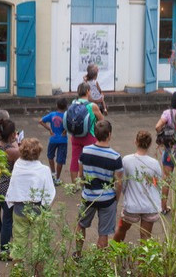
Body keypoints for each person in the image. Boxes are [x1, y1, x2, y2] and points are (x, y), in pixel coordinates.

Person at [5, 138, 56, 264]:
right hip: (37, 210)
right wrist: (45, 206)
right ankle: (38, 272)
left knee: (18, 245)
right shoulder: (44, 170)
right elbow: (50, 192)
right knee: (38, 245)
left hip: (19, 210)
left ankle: (17, 272)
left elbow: (13, 186)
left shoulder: (17, 165)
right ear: (38, 152)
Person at [76, 120, 123, 252]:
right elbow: (118, 182)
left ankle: (78, 253)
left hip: (88, 196)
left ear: (95, 134)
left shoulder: (85, 151)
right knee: (104, 233)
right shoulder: (115, 157)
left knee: (81, 224)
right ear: (109, 134)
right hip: (107, 198)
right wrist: (116, 199)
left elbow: (81, 175)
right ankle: (99, 262)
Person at [113, 130, 162, 242]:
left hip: (132, 205)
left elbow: (122, 182)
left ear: (135, 142)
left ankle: (113, 253)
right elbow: (158, 184)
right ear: (149, 144)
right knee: (145, 237)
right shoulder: (154, 163)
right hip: (149, 206)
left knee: (121, 230)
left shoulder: (126, 160)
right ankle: (142, 260)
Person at [0, 119, 20, 257]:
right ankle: (4, 250)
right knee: (8, 220)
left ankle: (4, 244)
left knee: (5, 217)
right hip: (8, 188)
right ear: (13, 134)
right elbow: (21, 156)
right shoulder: (13, 151)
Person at [68, 82, 104, 183]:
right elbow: (102, 120)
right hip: (89, 136)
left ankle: (74, 185)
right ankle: (89, 181)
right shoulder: (92, 106)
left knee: (74, 159)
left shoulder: (73, 103)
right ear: (88, 91)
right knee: (91, 159)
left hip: (75, 135)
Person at [39, 98, 68, 184]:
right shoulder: (66, 116)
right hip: (63, 140)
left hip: (53, 139)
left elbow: (40, 121)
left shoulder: (52, 114)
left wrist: (49, 129)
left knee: (50, 156)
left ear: (56, 105)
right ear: (66, 106)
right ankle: (58, 179)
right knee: (60, 159)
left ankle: (53, 173)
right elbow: (70, 124)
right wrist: (65, 130)